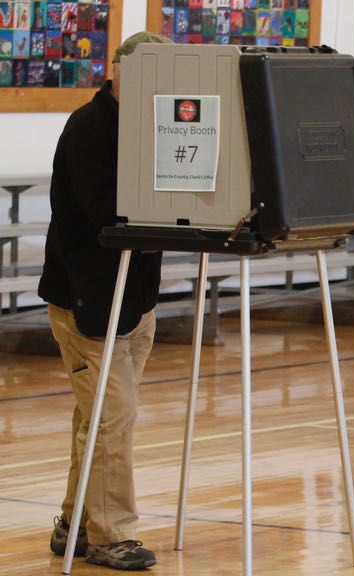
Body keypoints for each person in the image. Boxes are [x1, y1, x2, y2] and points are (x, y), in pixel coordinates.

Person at [40, 31, 172, 571]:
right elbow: (105, 212)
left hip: (134, 300)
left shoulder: (153, 124)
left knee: (97, 419)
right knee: (113, 417)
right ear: (121, 73)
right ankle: (110, 534)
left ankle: (75, 521)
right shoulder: (89, 128)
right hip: (87, 300)